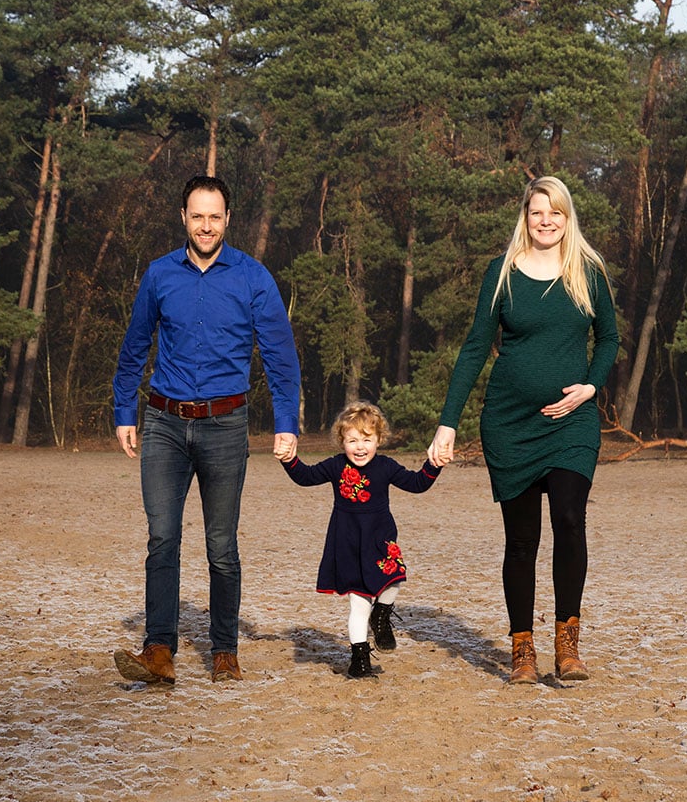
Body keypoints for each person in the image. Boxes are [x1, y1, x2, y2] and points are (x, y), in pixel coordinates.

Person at [427, 176, 619, 685]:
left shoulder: (588, 272)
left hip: (572, 422)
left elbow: (609, 338)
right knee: (521, 539)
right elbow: (473, 349)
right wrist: (447, 424)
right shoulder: (502, 273)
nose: (546, 221)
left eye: (555, 212)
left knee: (570, 517)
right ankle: (522, 651)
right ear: (526, 217)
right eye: (537, 213)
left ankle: (568, 646)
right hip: (510, 423)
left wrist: (591, 387)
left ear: (567, 216)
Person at [111, 175, 301, 685]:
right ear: (183, 218)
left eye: (215, 216)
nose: (206, 225)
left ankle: (224, 650)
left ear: (227, 220)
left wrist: (287, 422)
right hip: (164, 425)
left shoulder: (253, 277)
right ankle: (158, 651)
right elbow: (134, 347)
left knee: (222, 545)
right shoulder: (158, 276)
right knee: (162, 537)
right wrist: (124, 412)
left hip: (225, 427)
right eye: (197, 216)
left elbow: (281, 358)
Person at [280, 401, 442, 679]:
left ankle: (381, 615)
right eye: (352, 440)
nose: (359, 447)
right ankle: (360, 659)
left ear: (379, 440)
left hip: (380, 540)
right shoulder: (335, 466)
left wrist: (434, 464)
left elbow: (417, 483)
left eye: (366, 439)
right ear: (342, 441)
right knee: (358, 604)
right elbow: (305, 477)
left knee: (396, 579)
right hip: (347, 544)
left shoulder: (386, 466)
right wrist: (288, 459)